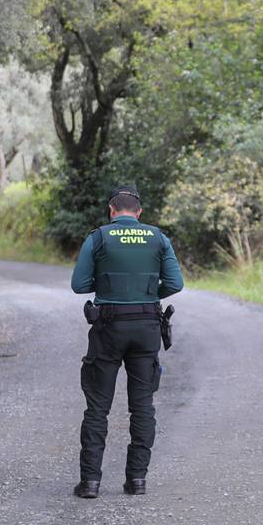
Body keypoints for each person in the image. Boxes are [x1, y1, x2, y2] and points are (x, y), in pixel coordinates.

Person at [70, 185, 184, 499]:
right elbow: (175, 282)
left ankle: (90, 482)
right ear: (139, 213)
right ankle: (137, 481)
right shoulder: (158, 238)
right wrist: (146, 295)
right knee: (142, 406)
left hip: (108, 327)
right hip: (146, 327)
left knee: (97, 408)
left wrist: (110, 290)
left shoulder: (98, 237)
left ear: (111, 210)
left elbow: (79, 284)